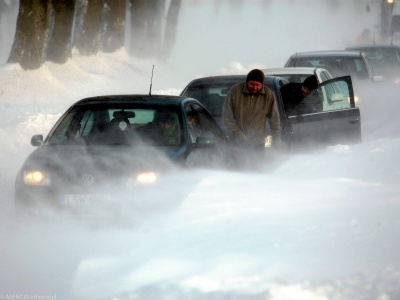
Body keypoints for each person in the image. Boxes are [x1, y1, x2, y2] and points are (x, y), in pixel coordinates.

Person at [222, 69, 282, 166]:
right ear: (247, 82)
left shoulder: (269, 95)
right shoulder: (235, 91)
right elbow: (227, 117)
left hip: (259, 142)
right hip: (237, 142)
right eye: (252, 84)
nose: (254, 87)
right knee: (239, 169)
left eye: (257, 85)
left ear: (262, 84)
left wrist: (277, 139)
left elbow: (275, 120)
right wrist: (238, 134)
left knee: (257, 169)